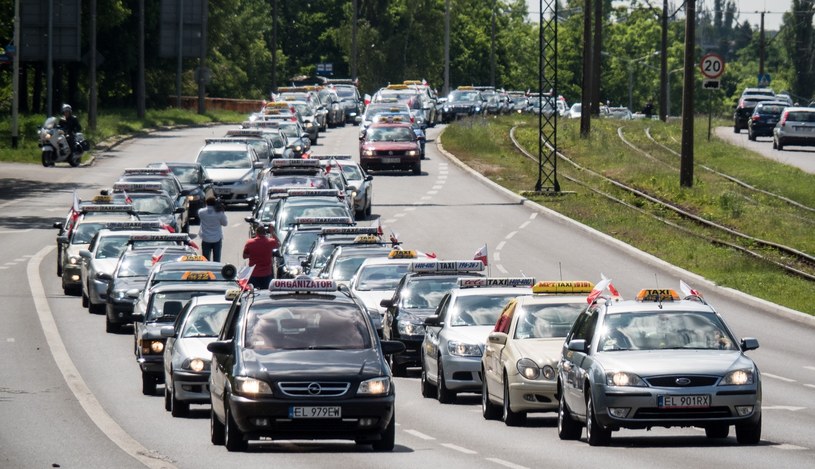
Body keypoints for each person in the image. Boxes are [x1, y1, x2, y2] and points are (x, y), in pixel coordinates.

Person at [242, 225, 279, 289]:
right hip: (267, 274)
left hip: (253, 274)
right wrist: (272, 232)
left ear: (256, 233)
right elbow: (278, 243)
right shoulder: (270, 242)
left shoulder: (250, 243)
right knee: (266, 295)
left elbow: (244, 256)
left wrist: (254, 254)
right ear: (265, 233)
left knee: (253, 295)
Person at [198, 197, 228, 262]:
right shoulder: (219, 213)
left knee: (205, 260)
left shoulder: (201, 212)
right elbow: (225, 223)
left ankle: (206, 271)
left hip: (205, 238)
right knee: (217, 260)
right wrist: (222, 210)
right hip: (217, 238)